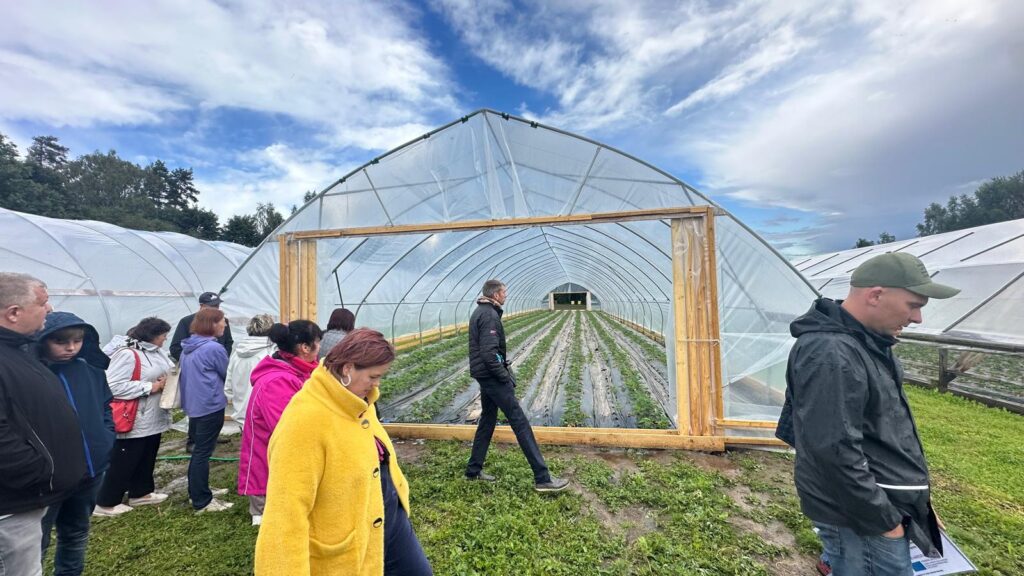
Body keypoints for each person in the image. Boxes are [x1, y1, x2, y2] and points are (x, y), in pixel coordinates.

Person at [775, 253, 959, 576]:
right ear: (875, 295)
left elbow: (877, 433)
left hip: (878, 508)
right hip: (860, 518)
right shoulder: (832, 353)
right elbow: (834, 451)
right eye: (913, 305)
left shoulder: (867, 344)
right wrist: (885, 520)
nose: (917, 318)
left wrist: (916, 504)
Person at [254, 329, 432, 575]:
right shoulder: (304, 421)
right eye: (373, 376)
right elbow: (285, 516)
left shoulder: (356, 398)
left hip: (388, 517)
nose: (376, 384)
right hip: (348, 539)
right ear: (347, 369)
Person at [0, 273, 84, 576]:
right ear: (13, 313)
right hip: (13, 506)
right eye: (43, 302)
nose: (49, 310)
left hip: (29, 498)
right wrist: (40, 472)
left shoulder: (19, 350)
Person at [465, 279, 568, 492]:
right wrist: (504, 376)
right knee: (520, 422)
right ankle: (543, 478)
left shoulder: (481, 312)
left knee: (487, 420)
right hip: (492, 377)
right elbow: (489, 353)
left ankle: (473, 470)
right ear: (495, 294)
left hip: (485, 375)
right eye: (504, 292)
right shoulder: (489, 315)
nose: (506, 296)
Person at [36, 312, 115, 576]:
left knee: (76, 534)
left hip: (89, 473)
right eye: (61, 341)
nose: (71, 347)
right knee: (36, 542)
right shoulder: (33, 375)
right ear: (42, 340)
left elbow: (105, 405)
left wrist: (106, 437)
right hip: (48, 480)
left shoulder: (91, 372)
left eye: (78, 340)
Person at [238, 320, 321, 526]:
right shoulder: (277, 381)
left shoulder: (295, 371)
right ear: (304, 347)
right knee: (275, 522)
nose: (319, 349)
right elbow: (288, 426)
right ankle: (261, 513)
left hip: (281, 458)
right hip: (270, 458)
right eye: (317, 343)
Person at [95, 317, 174, 516]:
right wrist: (151, 387)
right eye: (163, 336)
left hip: (153, 414)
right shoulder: (128, 355)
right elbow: (113, 386)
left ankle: (141, 492)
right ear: (153, 336)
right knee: (125, 458)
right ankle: (106, 502)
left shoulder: (156, 352)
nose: (165, 339)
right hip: (135, 415)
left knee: (147, 454)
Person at [179, 307, 232, 513]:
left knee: (200, 449)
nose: (225, 325)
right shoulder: (213, 349)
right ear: (212, 324)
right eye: (222, 321)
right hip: (210, 404)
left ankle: (199, 490)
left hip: (195, 403)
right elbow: (226, 372)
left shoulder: (189, 346)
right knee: (203, 452)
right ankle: (202, 500)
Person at [170, 291, 233, 453]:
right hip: (197, 374)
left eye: (218, 306)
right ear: (201, 307)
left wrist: (221, 354)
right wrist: (194, 364)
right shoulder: (187, 322)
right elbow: (176, 347)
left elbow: (229, 342)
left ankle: (211, 436)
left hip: (215, 369)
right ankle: (193, 440)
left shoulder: (223, 322)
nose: (215, 309)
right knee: (197, 408)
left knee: (214, 406)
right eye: (212, 306)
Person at [225, 314, 276, 426]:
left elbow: (228, 386)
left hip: (241, 412)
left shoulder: (237, 352)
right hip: (263, 414)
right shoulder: (271, 353)